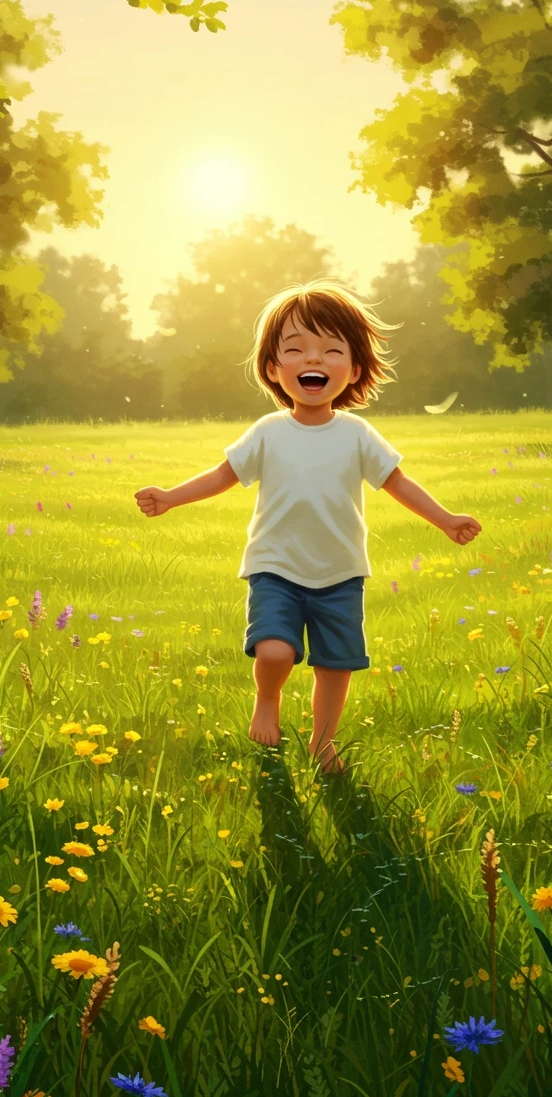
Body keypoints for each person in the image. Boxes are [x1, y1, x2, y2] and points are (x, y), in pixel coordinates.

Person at [134, 280, 482, 773]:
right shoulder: (268, 432)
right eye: (295, 349)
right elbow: (223, 475)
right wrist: (171, 497)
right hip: (275, 567)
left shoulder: (357, 434)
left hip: (340, 573)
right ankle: (267, 700)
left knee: (335, 666)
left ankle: (323, 741)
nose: (312, 358)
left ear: (354, 369)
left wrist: (445, 520)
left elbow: (398, 483)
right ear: (273, 368)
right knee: (274, 650)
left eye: (331, 350)